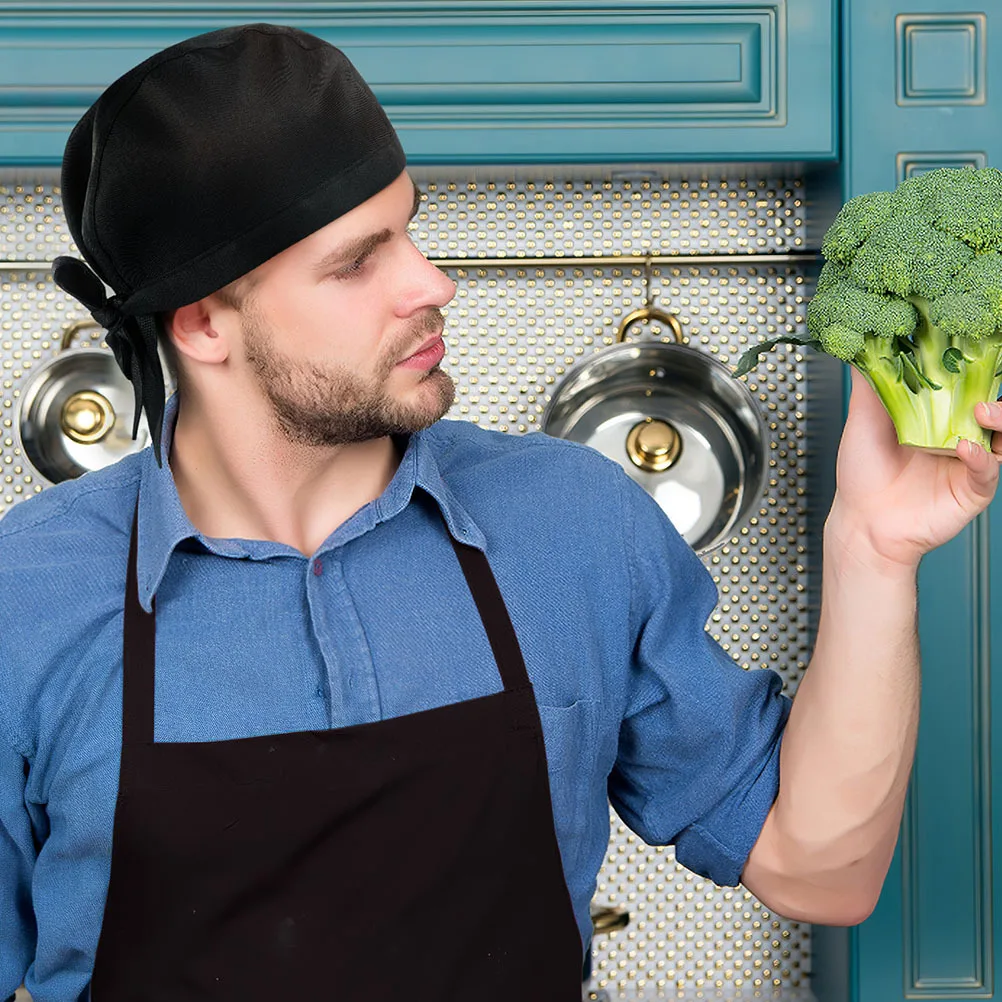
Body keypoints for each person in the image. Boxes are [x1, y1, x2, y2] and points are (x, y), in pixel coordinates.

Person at [1, 22, 999, 1002]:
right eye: (357, 262)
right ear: (202, 323)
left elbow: (820, 870)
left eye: (409, 228)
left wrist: (872, 546)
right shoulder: (26, 601)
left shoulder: (570, 524)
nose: (432, 283)